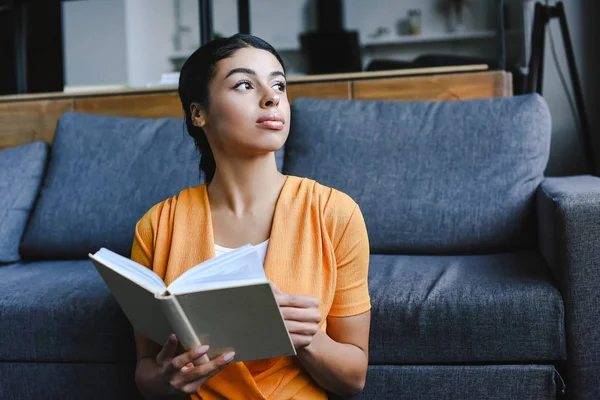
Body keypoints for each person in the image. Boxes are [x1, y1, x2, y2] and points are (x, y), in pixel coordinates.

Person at [131, 33, 371, 400]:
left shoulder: (335, 213)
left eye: (279, 84)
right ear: (198, 113)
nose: (272, 97)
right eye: (245, 84)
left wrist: (307, 338)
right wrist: (166, 380)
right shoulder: (156, 226)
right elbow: (145, 372)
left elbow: (354, 378)